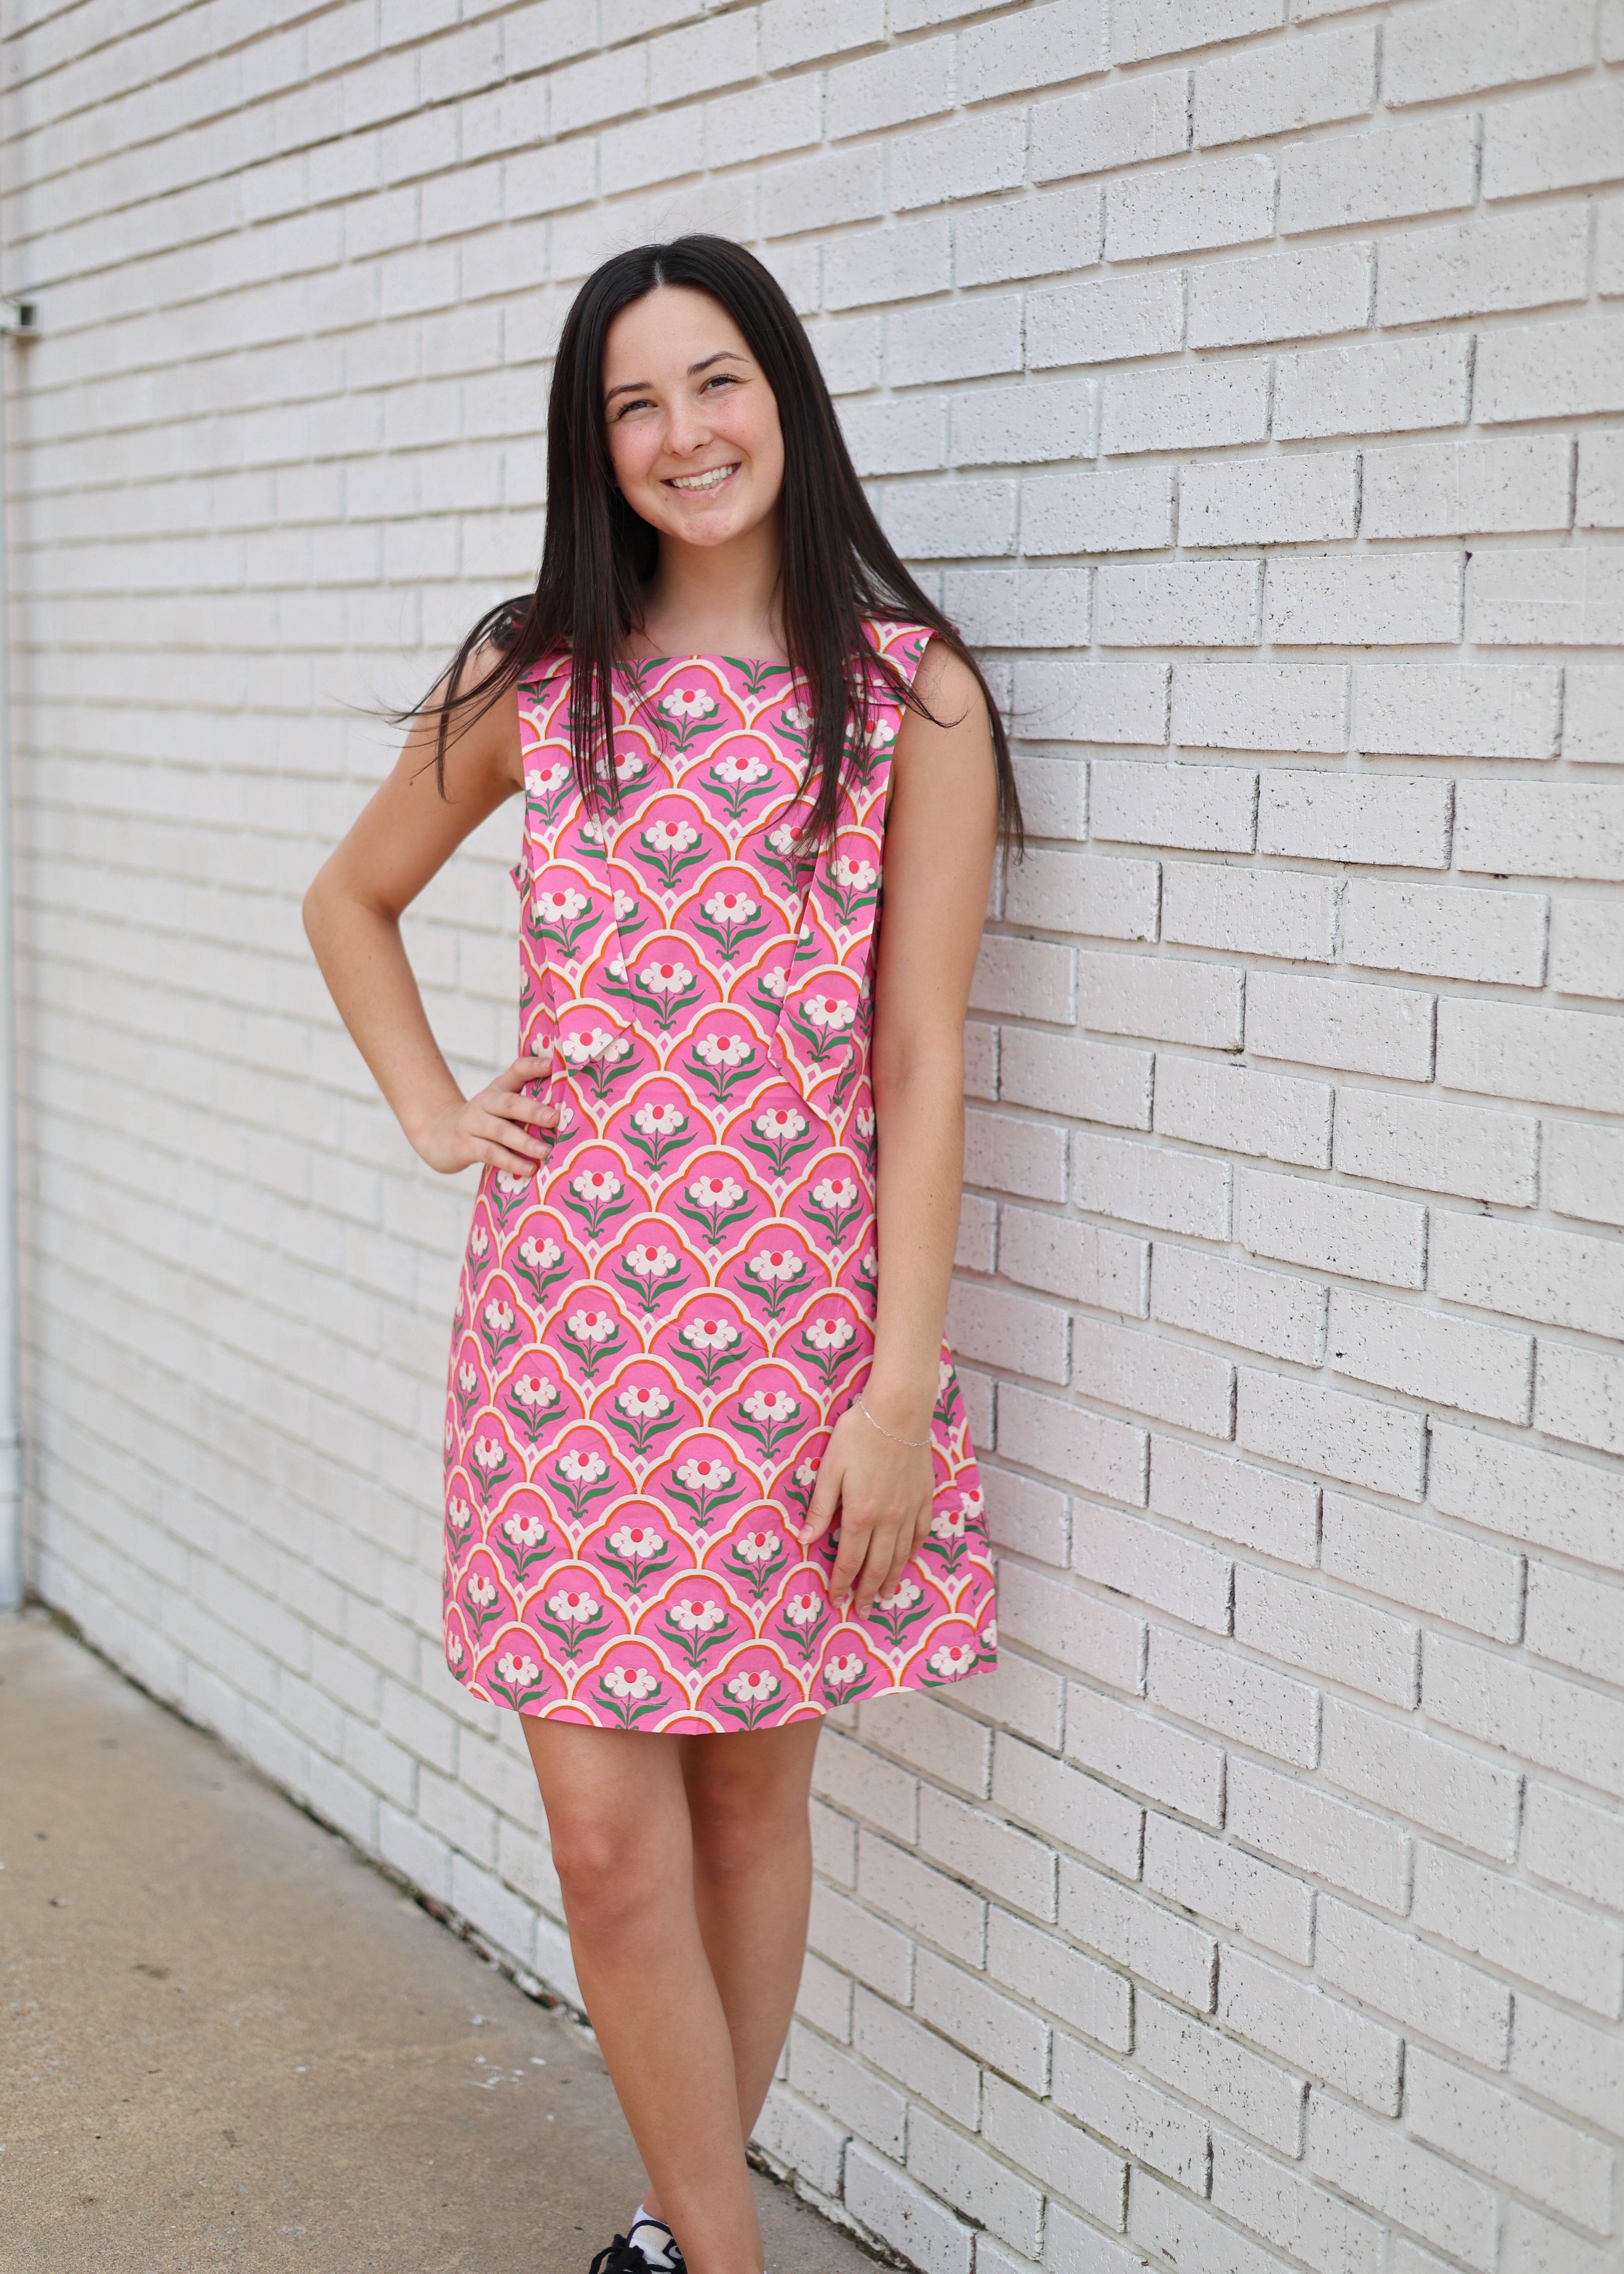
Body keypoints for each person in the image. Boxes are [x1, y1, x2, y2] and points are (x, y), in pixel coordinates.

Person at [304, 235, 1018, 2274]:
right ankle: (731, 2259)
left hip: (795, 1343)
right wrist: (446, 1114)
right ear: (594, 444)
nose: (682, 434)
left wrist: (898, 1393)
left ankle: (680, 2237)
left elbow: (923, 1059)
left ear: (780, 394)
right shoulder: (537, 676)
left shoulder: (912, 697)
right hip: (561, 1347)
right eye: (633, 404)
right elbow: (346, 903)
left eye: (713, 383)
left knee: (740, 1818)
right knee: (609, 1850)